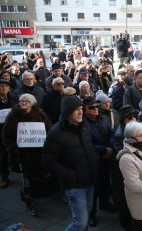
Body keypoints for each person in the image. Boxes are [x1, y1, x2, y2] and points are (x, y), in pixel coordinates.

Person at [42, 95, 99, 231]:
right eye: (77, 109)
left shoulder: (83, 125)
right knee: (79, 223)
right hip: (75, 186)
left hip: (90, 181)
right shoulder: (56, 133)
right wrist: (72, 176)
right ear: (67, 111)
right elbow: (49, 162)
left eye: (81, 108)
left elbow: (89, 148)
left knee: (84, 220)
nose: (81, 112)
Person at [83, 96, 115, 227]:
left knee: (105, 182)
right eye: (92, 107)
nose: (96, 109)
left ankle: (105, 203)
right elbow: (86, 143)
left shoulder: (102, 119)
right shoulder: (83, 124)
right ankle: (92, 213)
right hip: (93, 159)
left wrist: (110, 147)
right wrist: (103, 150)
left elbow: (112, 133)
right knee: (93, 189)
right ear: (85, 109)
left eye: (96, 106)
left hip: (106, 157)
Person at [3, 94, 52, 174]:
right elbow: (6, 132)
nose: (24, 103)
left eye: (27, 101)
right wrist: (11, 146)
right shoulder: (13, 115)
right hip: (21, 149)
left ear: (32, 103)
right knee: (26, 169)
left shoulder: (40, 113)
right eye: (22, 101)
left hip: (38, 148)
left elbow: (48, 127)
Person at [112, 105, 138, 231]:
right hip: (123, 173)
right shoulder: (119, 135)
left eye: (135, 116)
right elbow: (123, 156)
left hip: (134, 170)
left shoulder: (136, 129)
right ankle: (125, 222)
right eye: (130, 117)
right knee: (124, 199)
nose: (133, 119)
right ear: (123, 119)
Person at [0, 79, 17, 188]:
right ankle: (4, 176)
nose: (4, 88)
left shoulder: (14, 98)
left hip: (13, 129)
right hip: (1, 131)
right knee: (3, 154)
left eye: (6, 86)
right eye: (1, 86)